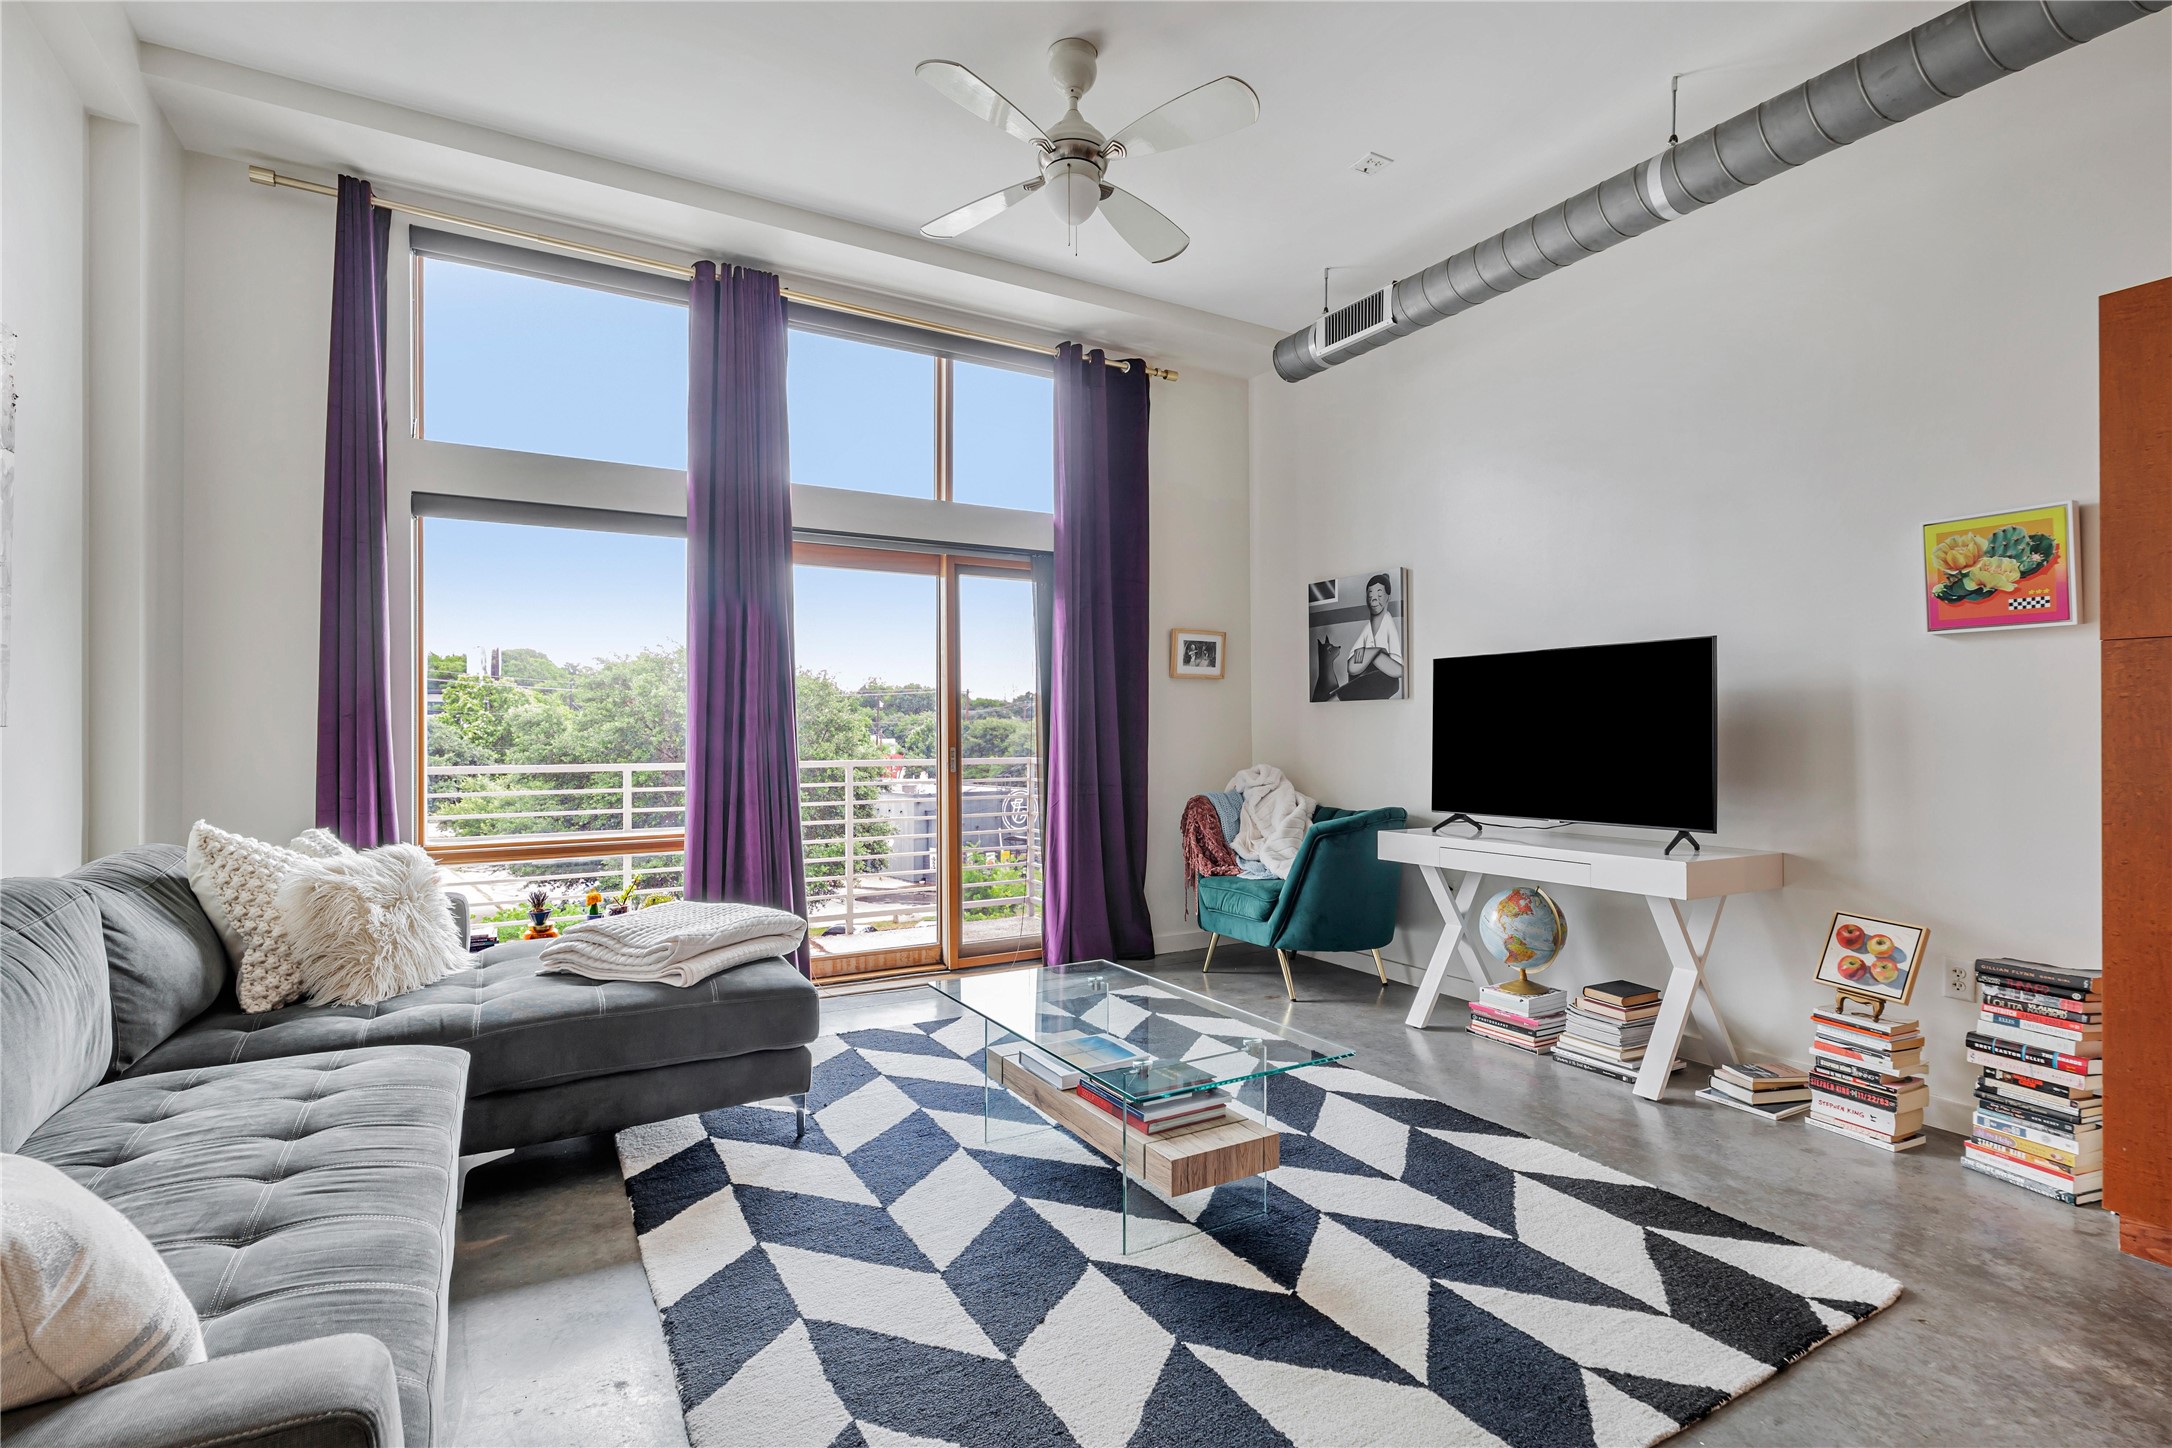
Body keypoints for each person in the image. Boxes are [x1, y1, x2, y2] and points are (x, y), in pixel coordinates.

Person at [1338, 572, 1403, 699]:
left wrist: (1371, 654)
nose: (1374, 600)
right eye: (1370, 595)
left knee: (1383, 679)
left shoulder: (1389, 626)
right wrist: (1378, 653)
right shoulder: (1367, 630)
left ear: (1387, 598)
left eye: (1379, 595)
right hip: (1363, 681)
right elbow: (1352, 667)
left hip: (1385, 682)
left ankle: (1337, 697)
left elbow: (1398, 670)